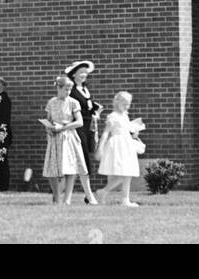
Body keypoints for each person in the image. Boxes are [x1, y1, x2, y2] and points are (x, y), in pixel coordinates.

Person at [42, 74, 96, 206]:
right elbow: (48, 120)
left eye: (70, 89)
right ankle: (56, 199)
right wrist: (49, 129)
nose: (68, 92)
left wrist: (64, 127)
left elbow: (79, 122)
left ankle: (67, 199)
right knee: (53, 169)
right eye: (66, 89)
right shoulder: (51, 102)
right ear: (58, 88)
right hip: (55, 138)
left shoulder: (73, 102)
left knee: (70, 169)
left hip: (68, 138)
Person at [96, 90, 145, 205]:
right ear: (117, 102)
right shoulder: (112, 117)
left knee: (129, 171)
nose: (126, 106)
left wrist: (134, 132)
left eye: (128, 104)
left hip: (127, 144)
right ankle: (104, 191)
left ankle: (125, 199)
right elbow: (105, 133)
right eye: (124, 104)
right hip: (117, 145)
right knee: (123, 172)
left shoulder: (125, 116)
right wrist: (100, 148)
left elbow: (126, 129)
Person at [65, 59, 102, 202]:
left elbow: (88, 107)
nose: (83, 75)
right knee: (82, 159)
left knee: (86, 158)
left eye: (85, 73)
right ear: (74, 75)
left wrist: (95, 111)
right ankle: (88, 195)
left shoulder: (85, 89)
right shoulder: (72, 91)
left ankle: (85, 195)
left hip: (88, 127)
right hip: (78, 128)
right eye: (81, 72)